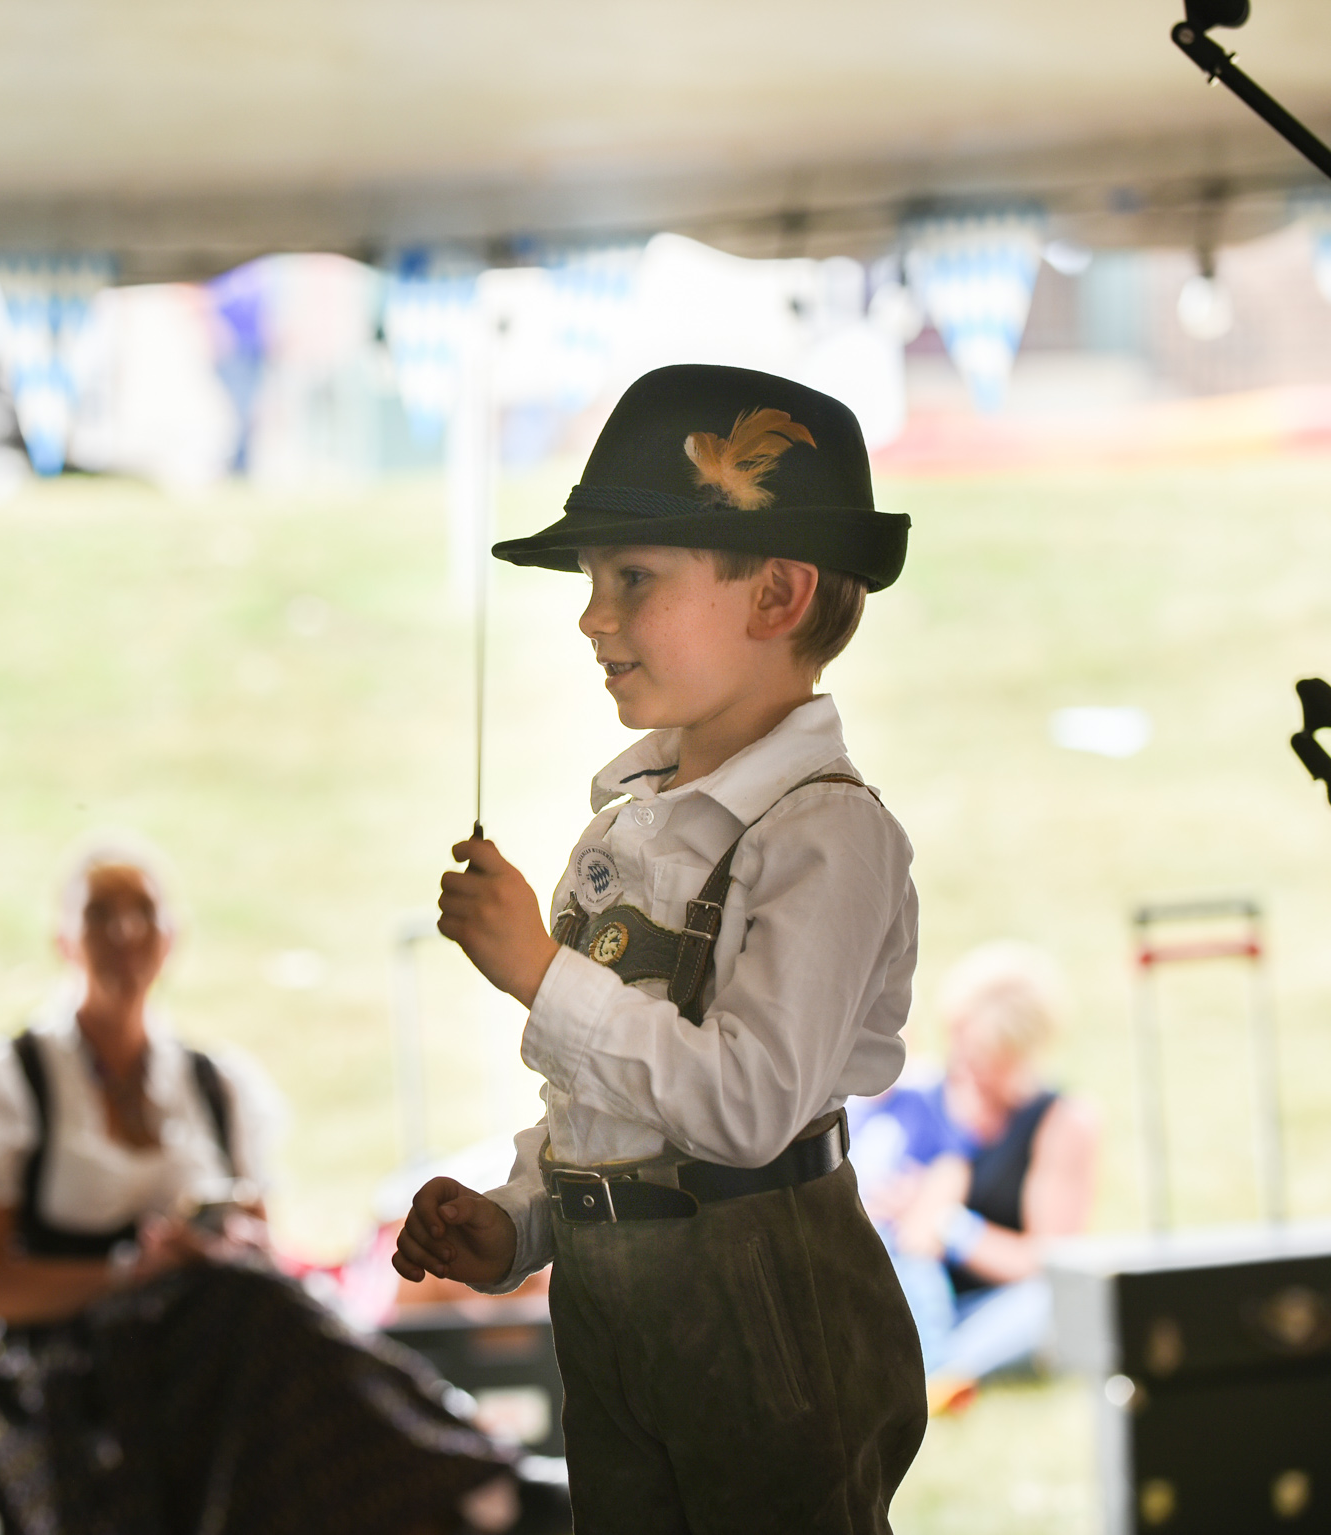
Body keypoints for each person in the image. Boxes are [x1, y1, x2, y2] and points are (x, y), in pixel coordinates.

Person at [394, 365, 926, 1533]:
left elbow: (744, 1104)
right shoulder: (624, 828)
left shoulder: (826, 835)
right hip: (614, 1304)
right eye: (592, 581)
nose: (592, 615)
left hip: (767, 1306)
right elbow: (614, 1103)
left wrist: (539, 973)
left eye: (632, 578)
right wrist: (521, 1215)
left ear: (775, 593)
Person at [0, 840, 515, 1535]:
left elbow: (261, 1245)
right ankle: (471, 1474)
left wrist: (218, 1243)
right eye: (100, 914)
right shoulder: (11, 1079)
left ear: (170, 938)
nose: (124, 932)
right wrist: (130, 1271)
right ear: (64, 939)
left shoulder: (212, 1084)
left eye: (143, 912)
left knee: (259, 1318)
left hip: (196, 1352)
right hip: (60, 1368)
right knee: (258, 1319)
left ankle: (459, 1475)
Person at [856, 942, 1099, 1415]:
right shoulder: (919, 1097)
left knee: (1061, 1304)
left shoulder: (1062, 1121)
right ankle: (929, 1368)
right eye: (959, 1042)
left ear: (1022, 1050)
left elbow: (1050, 1262)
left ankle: (939, 1374)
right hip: (904, 1290)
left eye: (984, 1054)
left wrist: (948, 1226)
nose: (965, 1064)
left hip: (996, 1307)